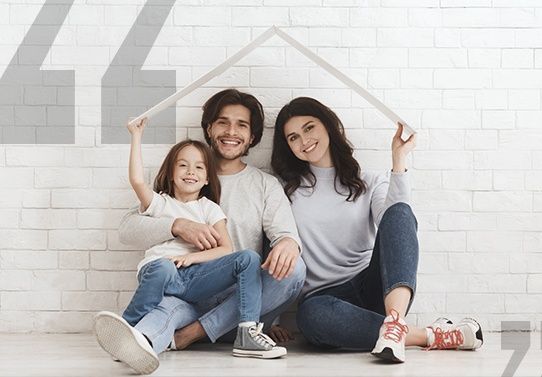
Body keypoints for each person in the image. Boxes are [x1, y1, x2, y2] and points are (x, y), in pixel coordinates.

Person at [94, 89, 306, 374]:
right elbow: (128, 230)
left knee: (295, 269)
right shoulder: (184, 180)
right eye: (222, 122)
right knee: (164, 312)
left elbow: (284, 238)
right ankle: (139, 343)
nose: (231, 131)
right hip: (188, 294)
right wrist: (178, 226)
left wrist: (289, 243)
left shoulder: (265, 184)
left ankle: (194, 334)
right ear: (209, 128)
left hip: (240, 302)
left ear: (253, 137)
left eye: (242, 125)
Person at [270, 97, 483, 363]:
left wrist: (399, 158)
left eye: (309, 128)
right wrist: (272, 318)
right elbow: (275, 245)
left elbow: (395, 221)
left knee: (401, 211)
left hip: (374, 287)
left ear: (328, 126)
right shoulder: (285, 190)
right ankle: (427, 335)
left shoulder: (367, 180)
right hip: (324, 300)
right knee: (311, 318)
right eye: (293, 137)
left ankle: (394, 322)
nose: (303, 141)